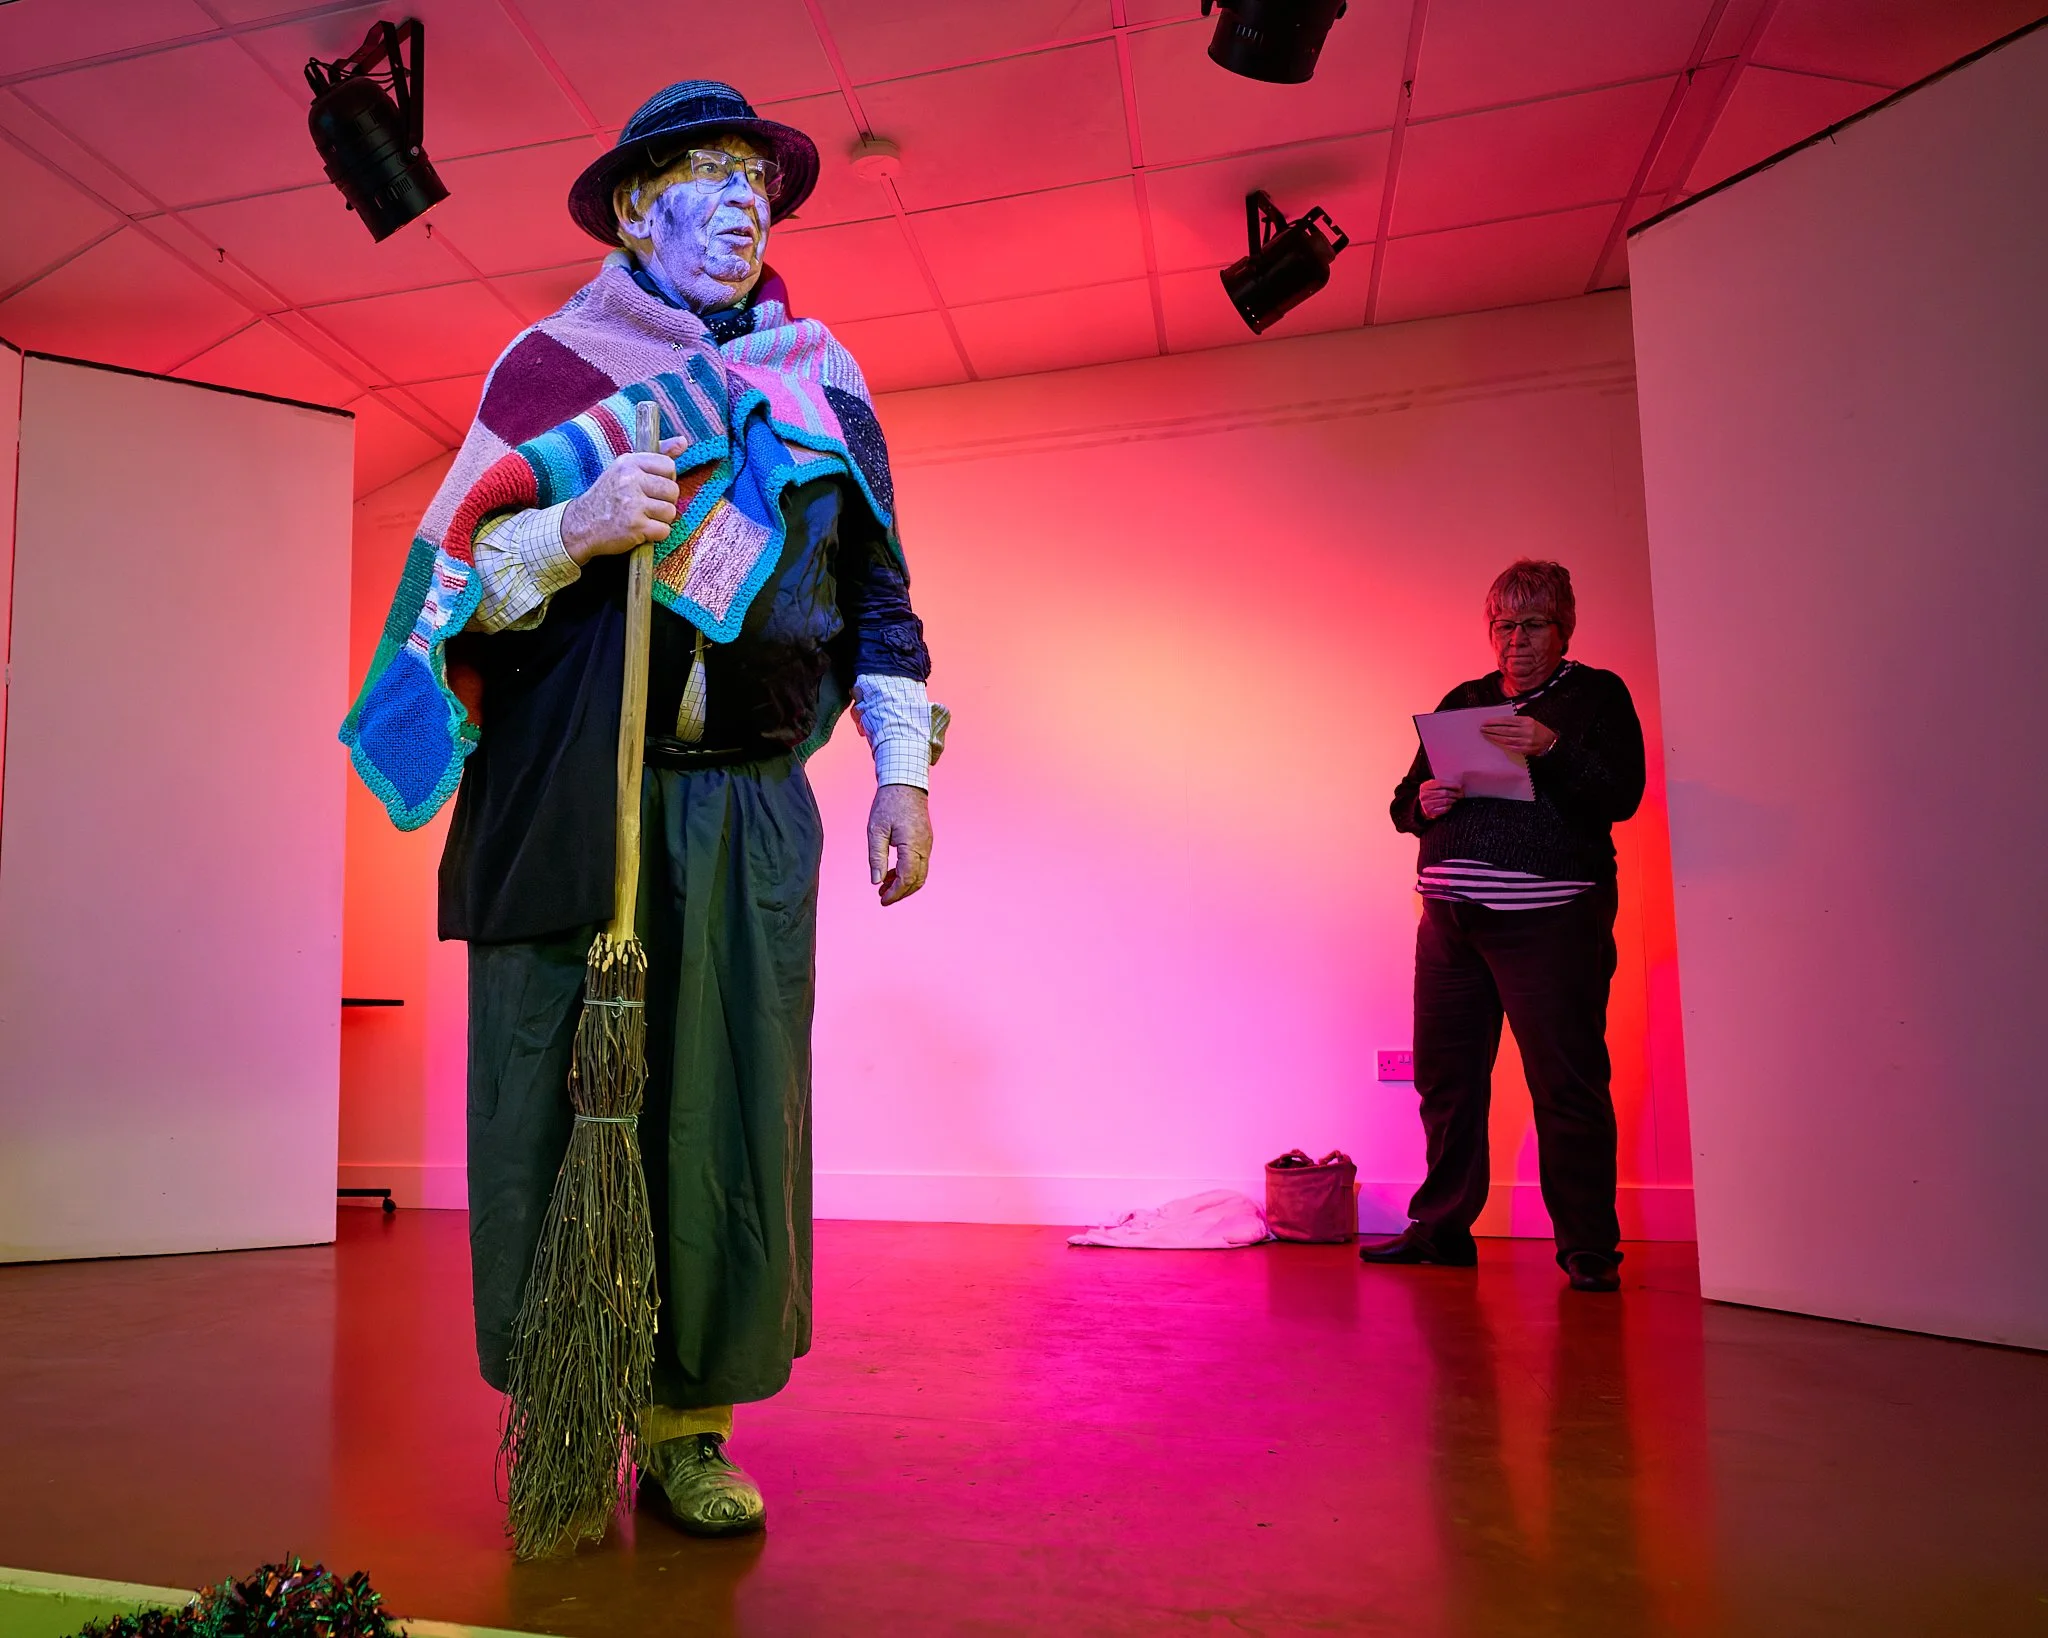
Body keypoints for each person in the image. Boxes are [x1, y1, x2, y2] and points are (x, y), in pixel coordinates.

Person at [340, 80, 936, 1537]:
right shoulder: (555, 366)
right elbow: (456, 584)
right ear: (631, 208)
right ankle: (566, 1392)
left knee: (723, 1111)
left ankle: (689, 1424)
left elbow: (880, 597)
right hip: (574, 806)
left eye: (760, 181)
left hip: (746, 812)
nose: (745, 202)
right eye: (709, 175)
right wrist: (576, 523)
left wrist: (901, 770)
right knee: (561, 1096)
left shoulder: (820, 377)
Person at [1362, 560, 1644, 1293]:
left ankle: (1587, 1247)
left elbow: (1622, 795)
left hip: (1548, 921)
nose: (1516, 640)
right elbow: (1400, 803)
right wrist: (1422, 802)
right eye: (1504, 626)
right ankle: (1442, 1229)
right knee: (1448, 1082)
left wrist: (1548, 749)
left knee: (1567, 1081)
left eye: (1533, 625)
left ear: (1563, 629)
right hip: (1449, 921)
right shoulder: (1465, 700)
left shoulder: (1596, 696)